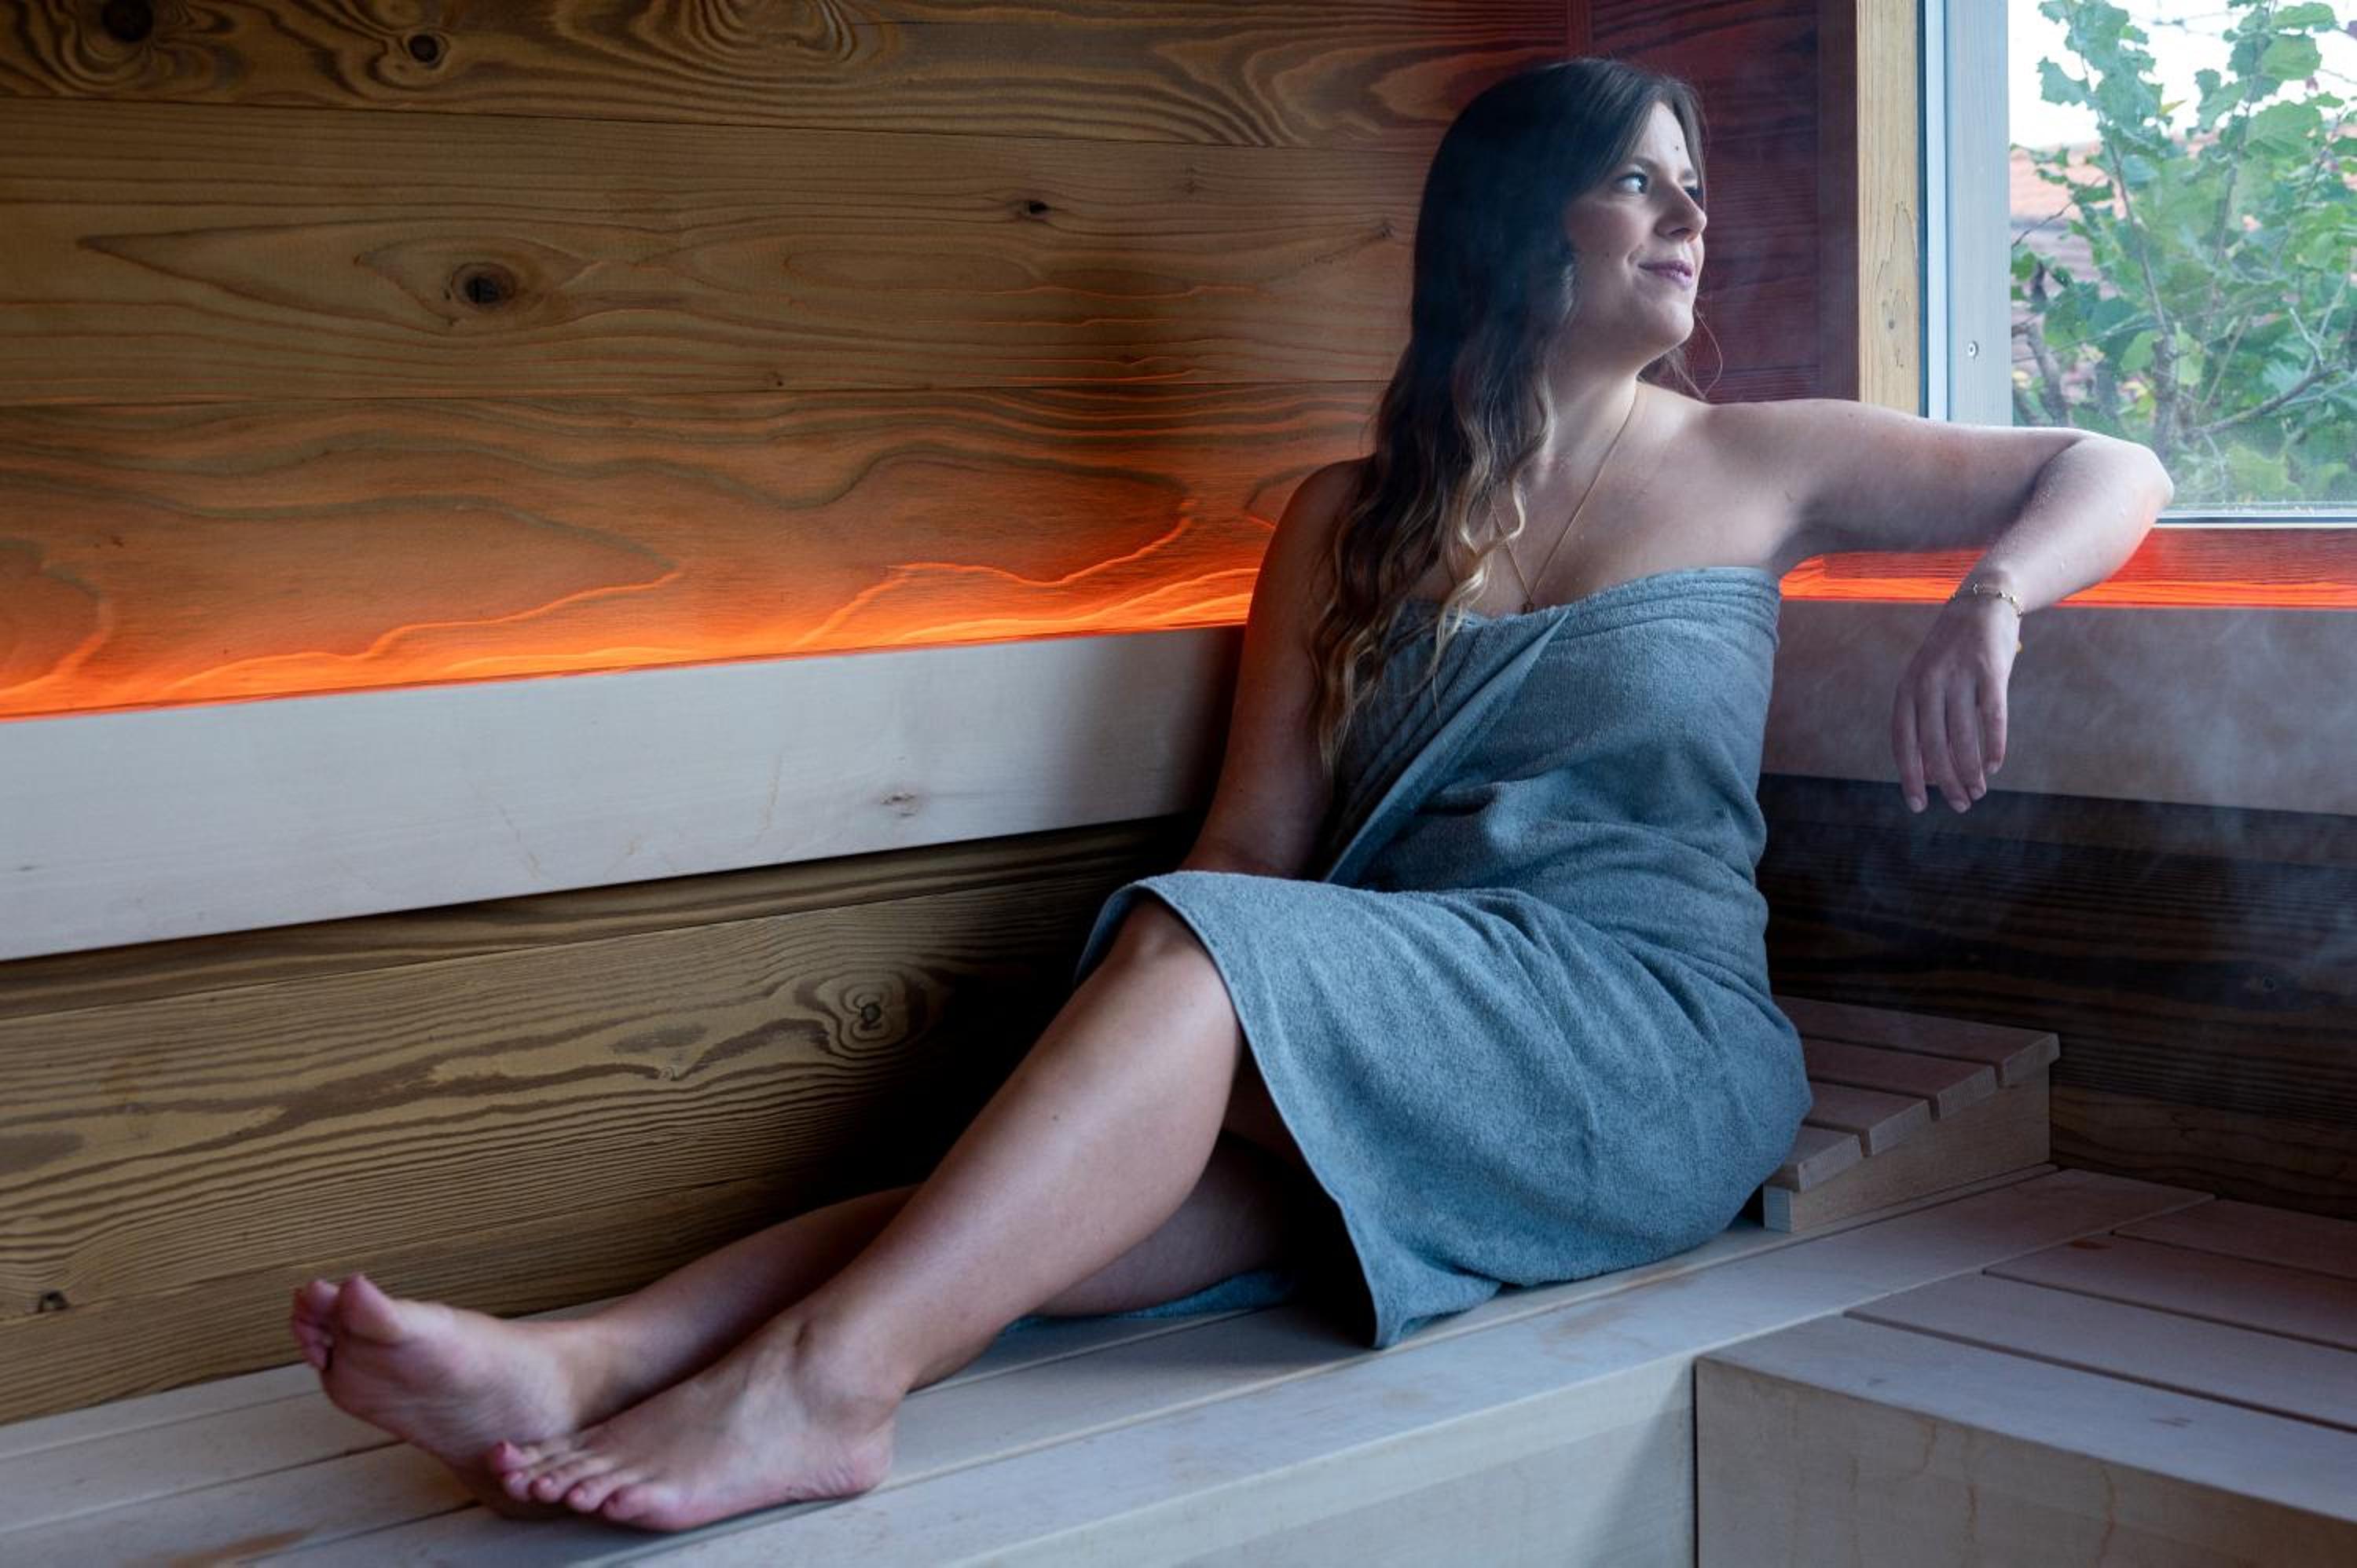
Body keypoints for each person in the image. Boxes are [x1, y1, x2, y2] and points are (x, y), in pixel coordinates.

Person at [287, 56, 2172, 1535]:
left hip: (1645, 1038)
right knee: (1039, 1217)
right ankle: (585, 1356)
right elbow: (1252, 853)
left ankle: (822, 1394)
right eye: (1640, 180)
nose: (1691, 215)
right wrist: (1154, 1064)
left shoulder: (1765, 458)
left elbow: (2113, 464)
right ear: (1520, 223)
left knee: (1179, 992)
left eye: (1697, 182)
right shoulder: (1347, 522)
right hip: (1405, 1020)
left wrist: (1993, 599)